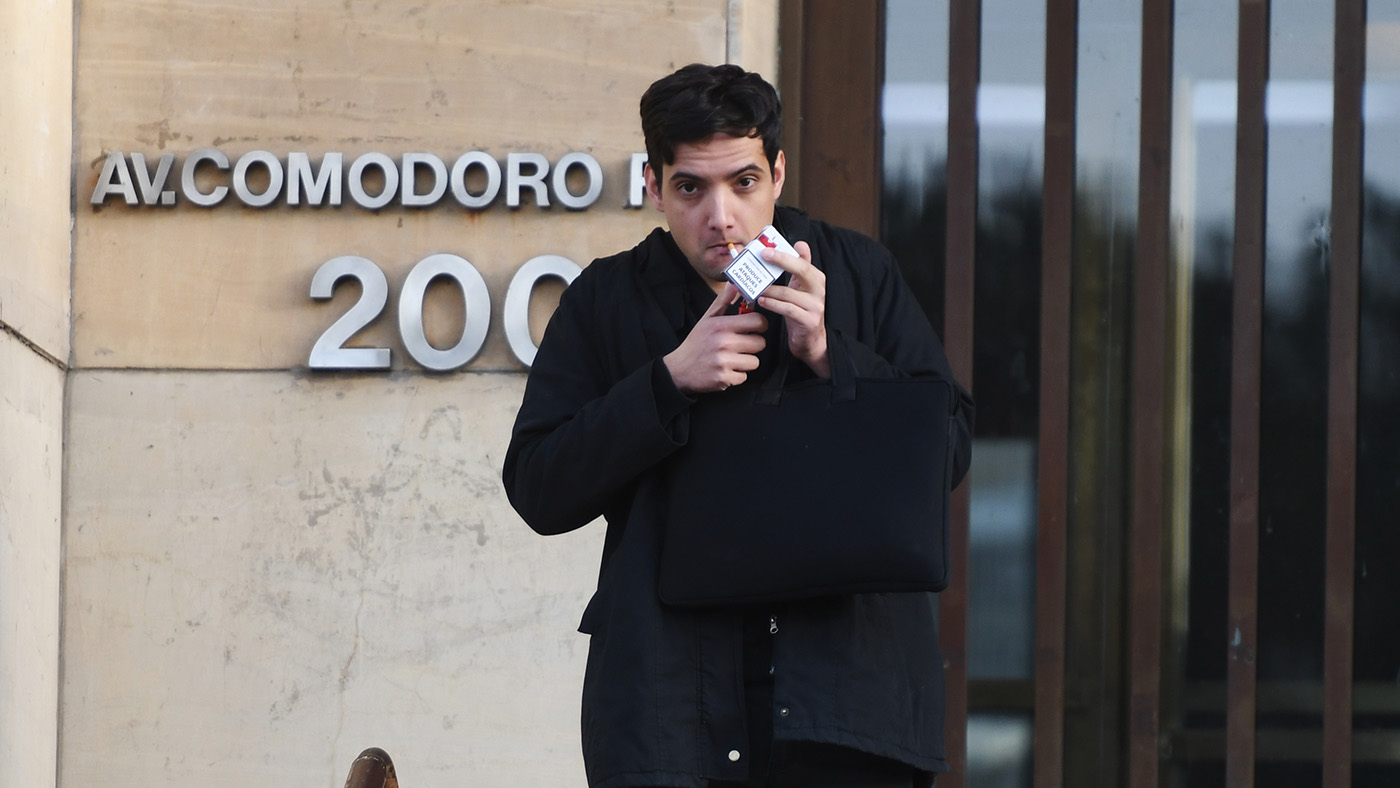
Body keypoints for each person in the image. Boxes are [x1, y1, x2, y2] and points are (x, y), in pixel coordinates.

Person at [502, 63, 973, 788]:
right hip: (669, 709)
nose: (721, 217)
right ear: (655, 186)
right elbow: (538, 486)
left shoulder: (858, 273)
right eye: (691, 188)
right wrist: (666, 382)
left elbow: (949, 449)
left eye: (744, 182)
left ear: (777, 174)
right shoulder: (605, 300)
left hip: (847, 704)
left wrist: (831, 356)